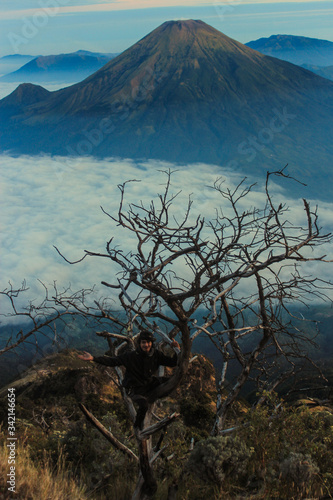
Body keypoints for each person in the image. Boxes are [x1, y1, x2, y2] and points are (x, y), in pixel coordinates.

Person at [78, 330, 180, 428]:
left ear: (151, 343)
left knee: (171, 381)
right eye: (143, 342)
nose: (146, 345)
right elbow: (113, 361)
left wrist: (176, 350)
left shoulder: (156, 355)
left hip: (148, 383)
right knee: (144, 405)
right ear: (139, 343)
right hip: (134, 388)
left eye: (148, 342)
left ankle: (155, 396)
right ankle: (137, 425)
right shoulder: (131, 356)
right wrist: (93, 358)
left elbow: (172, 363)